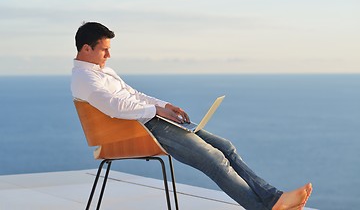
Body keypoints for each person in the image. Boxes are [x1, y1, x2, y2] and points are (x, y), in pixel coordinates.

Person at [71, 22, 312, 210]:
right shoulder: (85, 79)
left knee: (226, 147)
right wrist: (157, 111)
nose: (108, 56)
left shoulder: (103, 72)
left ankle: (274, 198)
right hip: (143, 130)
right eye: (104, 50)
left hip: (151, 121)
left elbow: (134, 95)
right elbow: (115, 106)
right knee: (214, 159)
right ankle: (265, 207)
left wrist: (165, 105)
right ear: (86, 48)